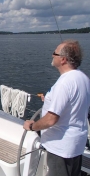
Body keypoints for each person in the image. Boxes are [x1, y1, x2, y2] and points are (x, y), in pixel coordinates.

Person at [23, 40, 90, 176]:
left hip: (61, 147)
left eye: (55, 53)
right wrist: (49, 99)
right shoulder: (83, 78)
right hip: (76, 144)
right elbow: (74, 103)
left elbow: (51, 119)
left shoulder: (64, 83)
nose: (52, 55)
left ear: (63, 59)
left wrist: (32, 126)